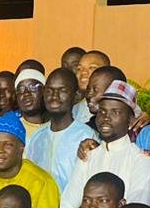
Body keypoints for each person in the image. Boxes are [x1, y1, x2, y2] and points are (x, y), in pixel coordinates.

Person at [60, 80, 150, 208]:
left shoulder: (142, 161)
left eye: (115, 112)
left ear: (130, 120)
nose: (106, 117)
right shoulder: (88, 155)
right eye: (102, 111)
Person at [25, 67, 97, 195]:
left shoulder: (87, 136)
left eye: (62, 90)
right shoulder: (36, 138)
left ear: (76, 96)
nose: (54, 96)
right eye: (49, 90)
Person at [12, 69, 48, 139]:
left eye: (33, 87)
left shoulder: (57, 124)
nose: (26, 93)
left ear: (44, 91)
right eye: (20, 89)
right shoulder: (12, 128)